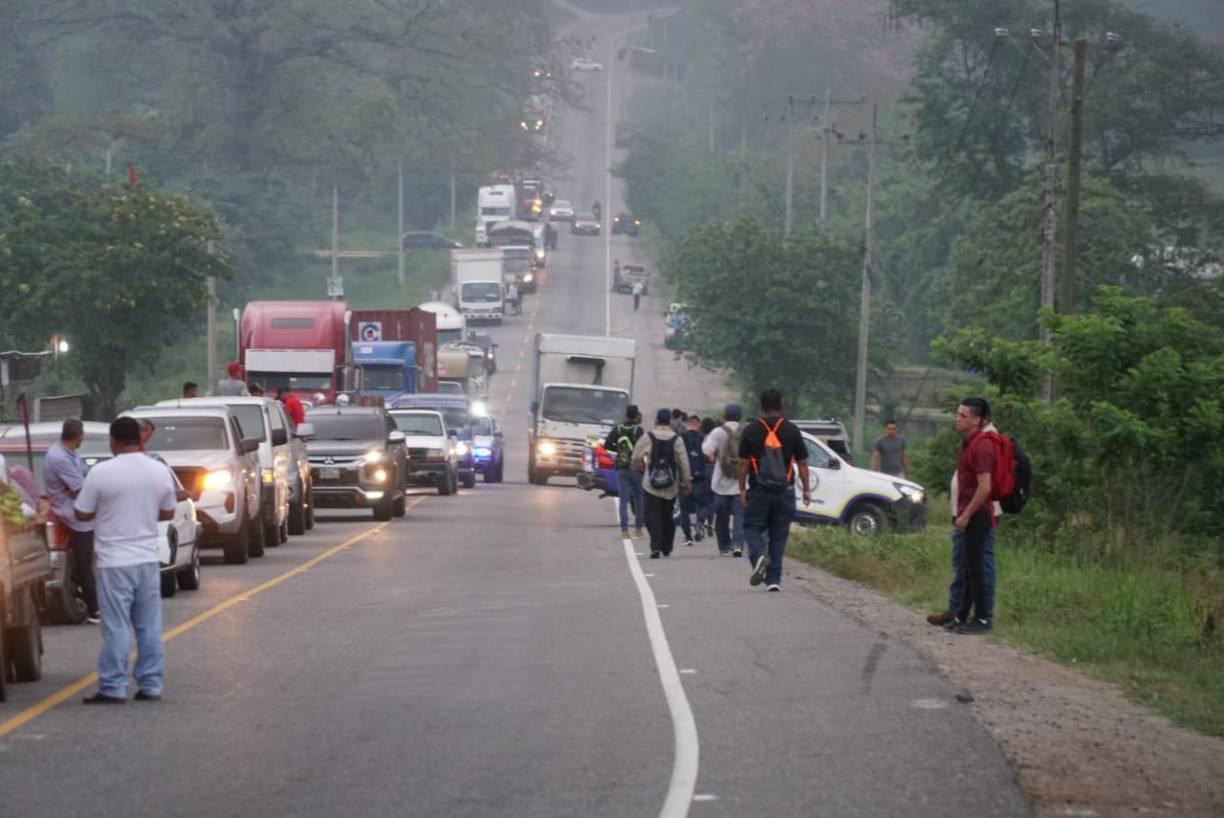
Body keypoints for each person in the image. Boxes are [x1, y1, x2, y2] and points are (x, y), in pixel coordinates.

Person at [75, 417, 178, 704]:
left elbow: (81, 512)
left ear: (113, 440)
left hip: (113, 560)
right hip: (147, 559)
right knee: (149, 625)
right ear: (141, 440)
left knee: (117, 625)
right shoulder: (159, 471)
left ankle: (113, 686)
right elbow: (168, 512)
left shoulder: (101, 473)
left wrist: (106, 511)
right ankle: (151, 684)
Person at [738, 389, 810, 591]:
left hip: (759, 490)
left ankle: (759, 555)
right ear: (781, 405)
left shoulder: (751, 430)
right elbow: (802, 463)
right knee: (779, 534)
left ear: (761, 406)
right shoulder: (792, 430)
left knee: (752, 527)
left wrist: (742, 489)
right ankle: (774, 580)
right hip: (784, 490)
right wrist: (806, 490)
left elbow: (743, 463)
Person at [942, 397, 998, 635]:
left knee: (976, 568)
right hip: (967, 513)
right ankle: (962, 615)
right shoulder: (969, 442)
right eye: (958, 414)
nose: (958, 419)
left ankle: (983, 619)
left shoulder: (983, 446)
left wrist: (966, 515)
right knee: (966, 567)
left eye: (963, 416)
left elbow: (985, 487)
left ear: (977, 420)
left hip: (978, 515)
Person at [43, 418, 101, 623]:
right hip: (73, 514)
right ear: (79, 436)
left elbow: (85, 477)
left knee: (91, 559)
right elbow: (80, 489)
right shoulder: (59, 457)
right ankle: (95, 609)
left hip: (79, 510)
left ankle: (94, 602)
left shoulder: (70, 453)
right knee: (86, 561)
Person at [631, 408, 692, 558]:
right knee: (667, 516)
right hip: (671, 484)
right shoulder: (677, 439)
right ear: (670, 421)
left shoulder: (648, 437)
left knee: (651, 516)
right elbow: (684, 463)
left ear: (656, 421)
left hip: (650, 484)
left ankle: (655, 546)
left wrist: (639, 467)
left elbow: (635, 457)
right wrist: (687, 482)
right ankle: (667, 546)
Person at [703, 404, 745, 556]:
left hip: (721, 481)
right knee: (740, 515)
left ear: (725, 416)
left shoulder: (718, 431)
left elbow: (706, 450)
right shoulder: (745, 431)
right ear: (740, 417)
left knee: (722, 515)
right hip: (741, 481)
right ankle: (738, 545)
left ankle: (723, 545)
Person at [604, 405, 645, 537]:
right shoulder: (639, 430)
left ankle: (624, 530)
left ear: (626, 415)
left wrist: (620, 450)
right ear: (636, 415)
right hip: (637, 468)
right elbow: (645, 447)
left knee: (624, 499)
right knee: (639, 497)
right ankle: (638, 528)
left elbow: (607, 444)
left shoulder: (618, 428)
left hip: (622, 466)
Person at [676, 414, 707, 546]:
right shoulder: (702, 438)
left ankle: (687, 536)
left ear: (687, 424)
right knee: (701, 504)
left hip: (685, 478)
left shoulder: (680, 437)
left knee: (684, 509)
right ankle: (700, 521)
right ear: (698, 424)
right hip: (700, 477)